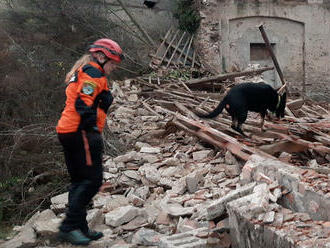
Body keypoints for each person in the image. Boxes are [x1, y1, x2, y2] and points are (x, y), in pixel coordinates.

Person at [56, 38, 123, 246]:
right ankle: (68, 227)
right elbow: (82, 103)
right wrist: (92, 130)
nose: (113, 68)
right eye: (112, 63)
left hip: (69, 130)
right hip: (80, 132)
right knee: (92, 180)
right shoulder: (93, 72)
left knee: (79, 181)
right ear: (101, 57)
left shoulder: (86, 71)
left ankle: (80, 228)